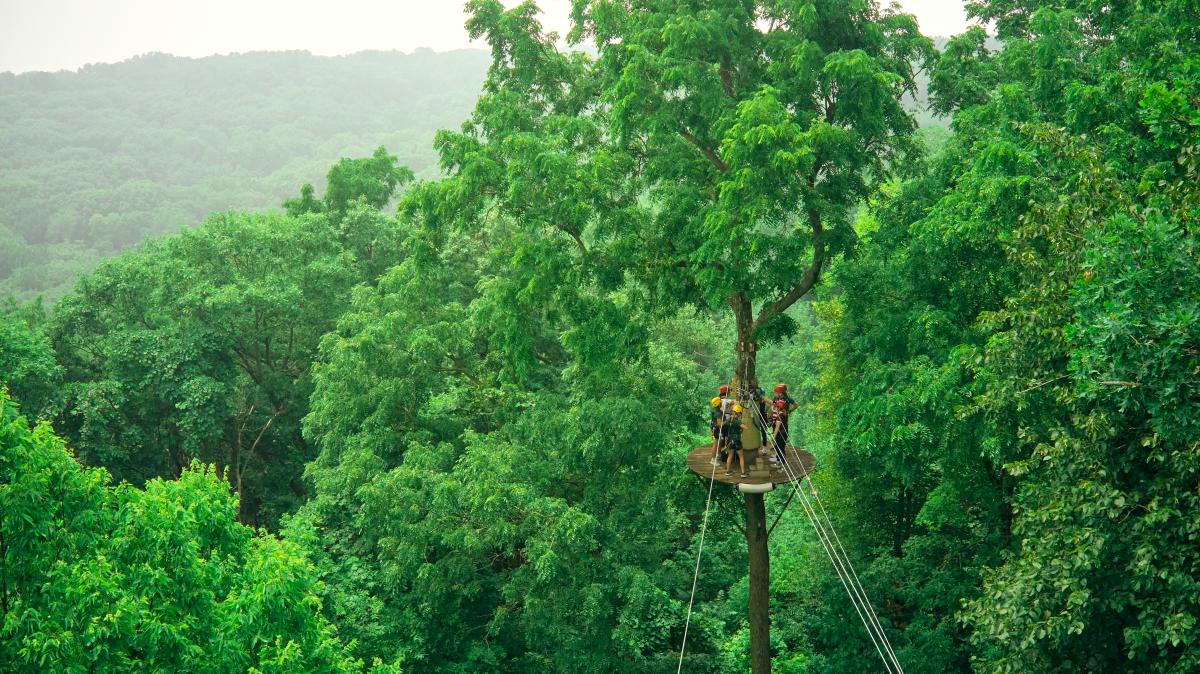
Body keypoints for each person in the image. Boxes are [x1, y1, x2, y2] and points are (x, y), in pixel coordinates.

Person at [723, 403, 747, 479]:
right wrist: (744, 424)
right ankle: (743, 473)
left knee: (730, 456)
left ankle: (727, 471)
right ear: (739, 413)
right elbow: (746, 427)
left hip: (730, 440)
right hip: (737, 441)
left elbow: (724, 425)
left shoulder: (729, 419)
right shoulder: (737, 421)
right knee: (741, 456)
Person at [772, 383, 798, 451]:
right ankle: (778, 455)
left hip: (782, 420)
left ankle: (781, 454)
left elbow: (796, 405)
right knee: (778, 438)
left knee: (781, 437)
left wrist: (789, 411)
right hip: (777, 420)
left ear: (780, 393)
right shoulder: (776, 398)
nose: (775, 393)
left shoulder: (787, 399)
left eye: (776, 392)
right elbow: (773, 406)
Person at [749, 377, 770, 444]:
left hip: (761, 411)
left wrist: (758, 396)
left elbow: (763, 399)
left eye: (755, 382)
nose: (753, 383)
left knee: (763, 429)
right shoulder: (750, 391)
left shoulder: (761, 389)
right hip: (753, 410)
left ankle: (764, 446)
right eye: (752, 382)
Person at [769, 399, 788, 463]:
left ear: (779, 408)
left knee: (778, 448)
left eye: (776, 406)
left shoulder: (779, 416)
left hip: (780, 435)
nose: (775, 407)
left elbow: (777, 427)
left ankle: (781, 463)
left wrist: (773, 437)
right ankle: (780, 461)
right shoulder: (784, 414)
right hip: (785, 434)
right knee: (781, 448)